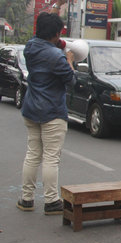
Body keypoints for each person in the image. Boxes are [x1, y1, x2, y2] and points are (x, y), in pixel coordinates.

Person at [16, 4, 76, 214]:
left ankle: (26, 199)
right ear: (56, 34)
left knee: (33, 154)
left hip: (31, 108)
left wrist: (56, 8)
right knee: (51, 157)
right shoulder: (56, 57)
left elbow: (47, 34)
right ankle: (51, 201)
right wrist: (69, 60)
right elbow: (71, 80)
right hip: (52, 112)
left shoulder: (30, 46)